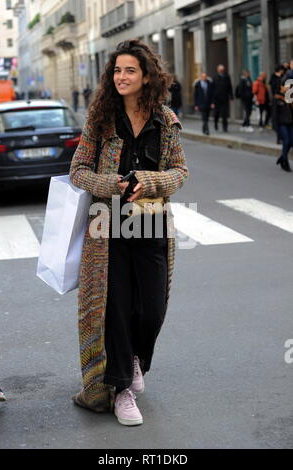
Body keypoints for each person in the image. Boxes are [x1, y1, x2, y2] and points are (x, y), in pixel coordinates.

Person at [69, 39, 189, 426]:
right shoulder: (101, 119)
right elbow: (78, 171)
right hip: (109, 228)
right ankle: (120, 390)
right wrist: (112, 185)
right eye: (117, 70)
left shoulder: (165, 120)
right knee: (115, 310)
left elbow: (180, 173)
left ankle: (137, 359)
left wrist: (150, 181)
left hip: (151, 223)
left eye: (130, 70)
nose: (121, 77)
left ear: (147, 76)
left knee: (152, 308)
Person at [275, 82, 293, 172]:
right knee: (286, 142)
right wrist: (275, 128)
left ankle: (282, 157)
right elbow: (274, 114)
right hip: (282, 124)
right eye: (285, 87)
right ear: (281, 87)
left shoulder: (289, 98)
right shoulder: (276, 99)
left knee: (291, 142)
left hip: (290, 123)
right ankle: (285, 162)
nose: (287, 88)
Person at [212, 64, 234, 132]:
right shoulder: (215, 77)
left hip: (225, 98)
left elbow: (230, 87)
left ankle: (225, 127)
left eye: (222, 70)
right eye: (220, 70)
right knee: (216, 113)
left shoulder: (227, 77)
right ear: (218, 70)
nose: (222, 71)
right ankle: (215, 123)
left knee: (224, 114)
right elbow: (212, 89)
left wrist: (231, 97)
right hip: (216, 99)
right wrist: (212, 101)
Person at [269, 64, 286, 143]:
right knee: (277, 119)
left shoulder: (280, 78)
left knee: (281, 120)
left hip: (281, 100)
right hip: (277, 101)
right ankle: (279, 137)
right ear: (280, 70)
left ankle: (280, 137)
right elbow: (275, 91)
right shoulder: (275, 79)